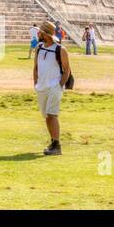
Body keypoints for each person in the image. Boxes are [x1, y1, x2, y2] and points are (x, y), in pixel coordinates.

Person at [33, 20, 71, 156]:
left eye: (40, 32)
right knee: (47, 116)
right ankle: (53, 142)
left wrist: (59, 85)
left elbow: (67, 70)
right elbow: (35, 67)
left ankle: (56, 145)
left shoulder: (60, 49)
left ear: (46, 34)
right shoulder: (39, 47)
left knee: (52, 114)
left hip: (54, 86)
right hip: (41, 87)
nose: (38, 33)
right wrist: (36, 83)